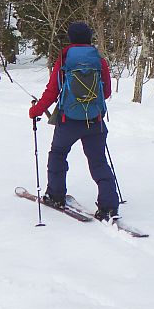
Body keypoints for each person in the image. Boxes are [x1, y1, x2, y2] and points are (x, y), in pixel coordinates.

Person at [28, 21, 119, 221]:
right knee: (98, 162)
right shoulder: (99, 61)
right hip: (94, 121)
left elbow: (52, 91)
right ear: (89, 37)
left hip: (68, 120)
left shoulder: (64, 59)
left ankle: (55, 195)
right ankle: (109, 206)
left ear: (70, 38)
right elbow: (107, 92)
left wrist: (36, 110)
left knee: (58, 154)